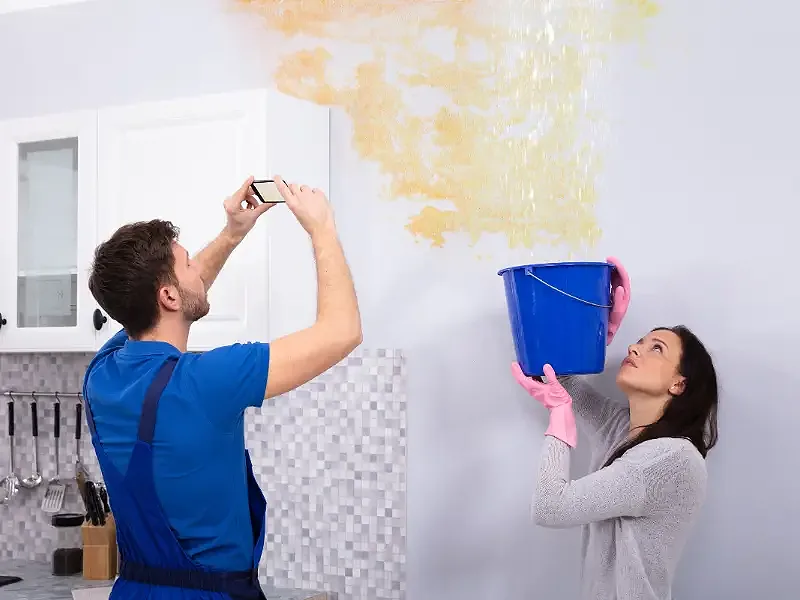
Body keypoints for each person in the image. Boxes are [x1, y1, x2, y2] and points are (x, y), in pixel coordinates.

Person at [82, 176, 361, 600]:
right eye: (189, 263)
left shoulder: (100, 374)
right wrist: (321, 226)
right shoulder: (209, 381)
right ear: (169, 296)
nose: (199, 269)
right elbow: (343, 331)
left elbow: (174, 301)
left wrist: (233, 234)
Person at [511, 257, 718, 600]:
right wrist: (590, 329)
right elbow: (557, 377)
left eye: (656, 348)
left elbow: (550, 507)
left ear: (679, 383)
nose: (634, 348)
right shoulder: (623, 429)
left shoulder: (669, 458)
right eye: (639, 341)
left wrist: (560, 420)